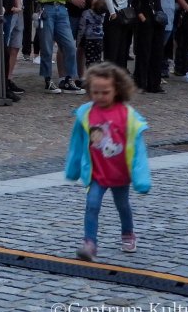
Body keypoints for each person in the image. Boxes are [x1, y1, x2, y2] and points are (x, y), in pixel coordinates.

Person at [64, 62, 150, 262]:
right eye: (95, 92)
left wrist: (141, 178)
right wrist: (73, 168)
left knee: (123, 206)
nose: (100, 96)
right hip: (97, 173)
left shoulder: (127, 115)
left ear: (117, 90)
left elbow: (138, 150)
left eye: (105, 92)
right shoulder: (86, 113)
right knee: (92, 204)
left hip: (120, 173)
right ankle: (89, 243)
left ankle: (128, 233)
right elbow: (77, 143)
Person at [34, 0, 82, 94]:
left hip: (61, 10)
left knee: (69, 45)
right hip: (46, 10)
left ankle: (69, 78)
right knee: (47, 47)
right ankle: (48, 79)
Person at [129, 0, 168, 94]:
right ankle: (141, 82)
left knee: (157, 52)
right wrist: (142, 17)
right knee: (144, 52)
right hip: (145, 20)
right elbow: (134, 2)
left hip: (158, 19)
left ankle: (154, 83)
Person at [77, 0, 107, 69]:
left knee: (89, 60)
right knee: (97, 58)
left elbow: (82, 27)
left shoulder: (86, 13)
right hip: (100, 39)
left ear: (93, 5)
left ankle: (91, 73)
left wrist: (78, 41)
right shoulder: (103, 14)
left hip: (89, 40)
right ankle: (97, 72)